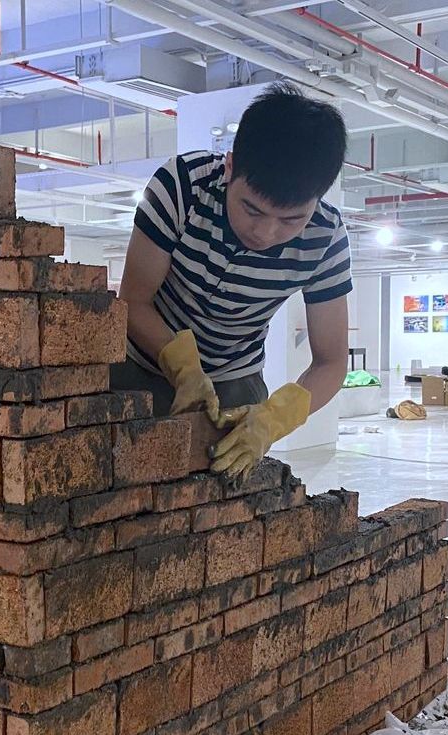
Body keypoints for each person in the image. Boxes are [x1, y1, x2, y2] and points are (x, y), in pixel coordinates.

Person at [116, 83, 354, 480]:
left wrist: (274, 419)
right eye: (252, 210)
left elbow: (331, 362)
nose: (266, 232)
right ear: (229, 166)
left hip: (235, 379)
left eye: (291, 220)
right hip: (141, 359)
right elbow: (132, 302)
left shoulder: (326, 238)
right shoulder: (181, 187)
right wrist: (184, 369)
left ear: (317, 200)